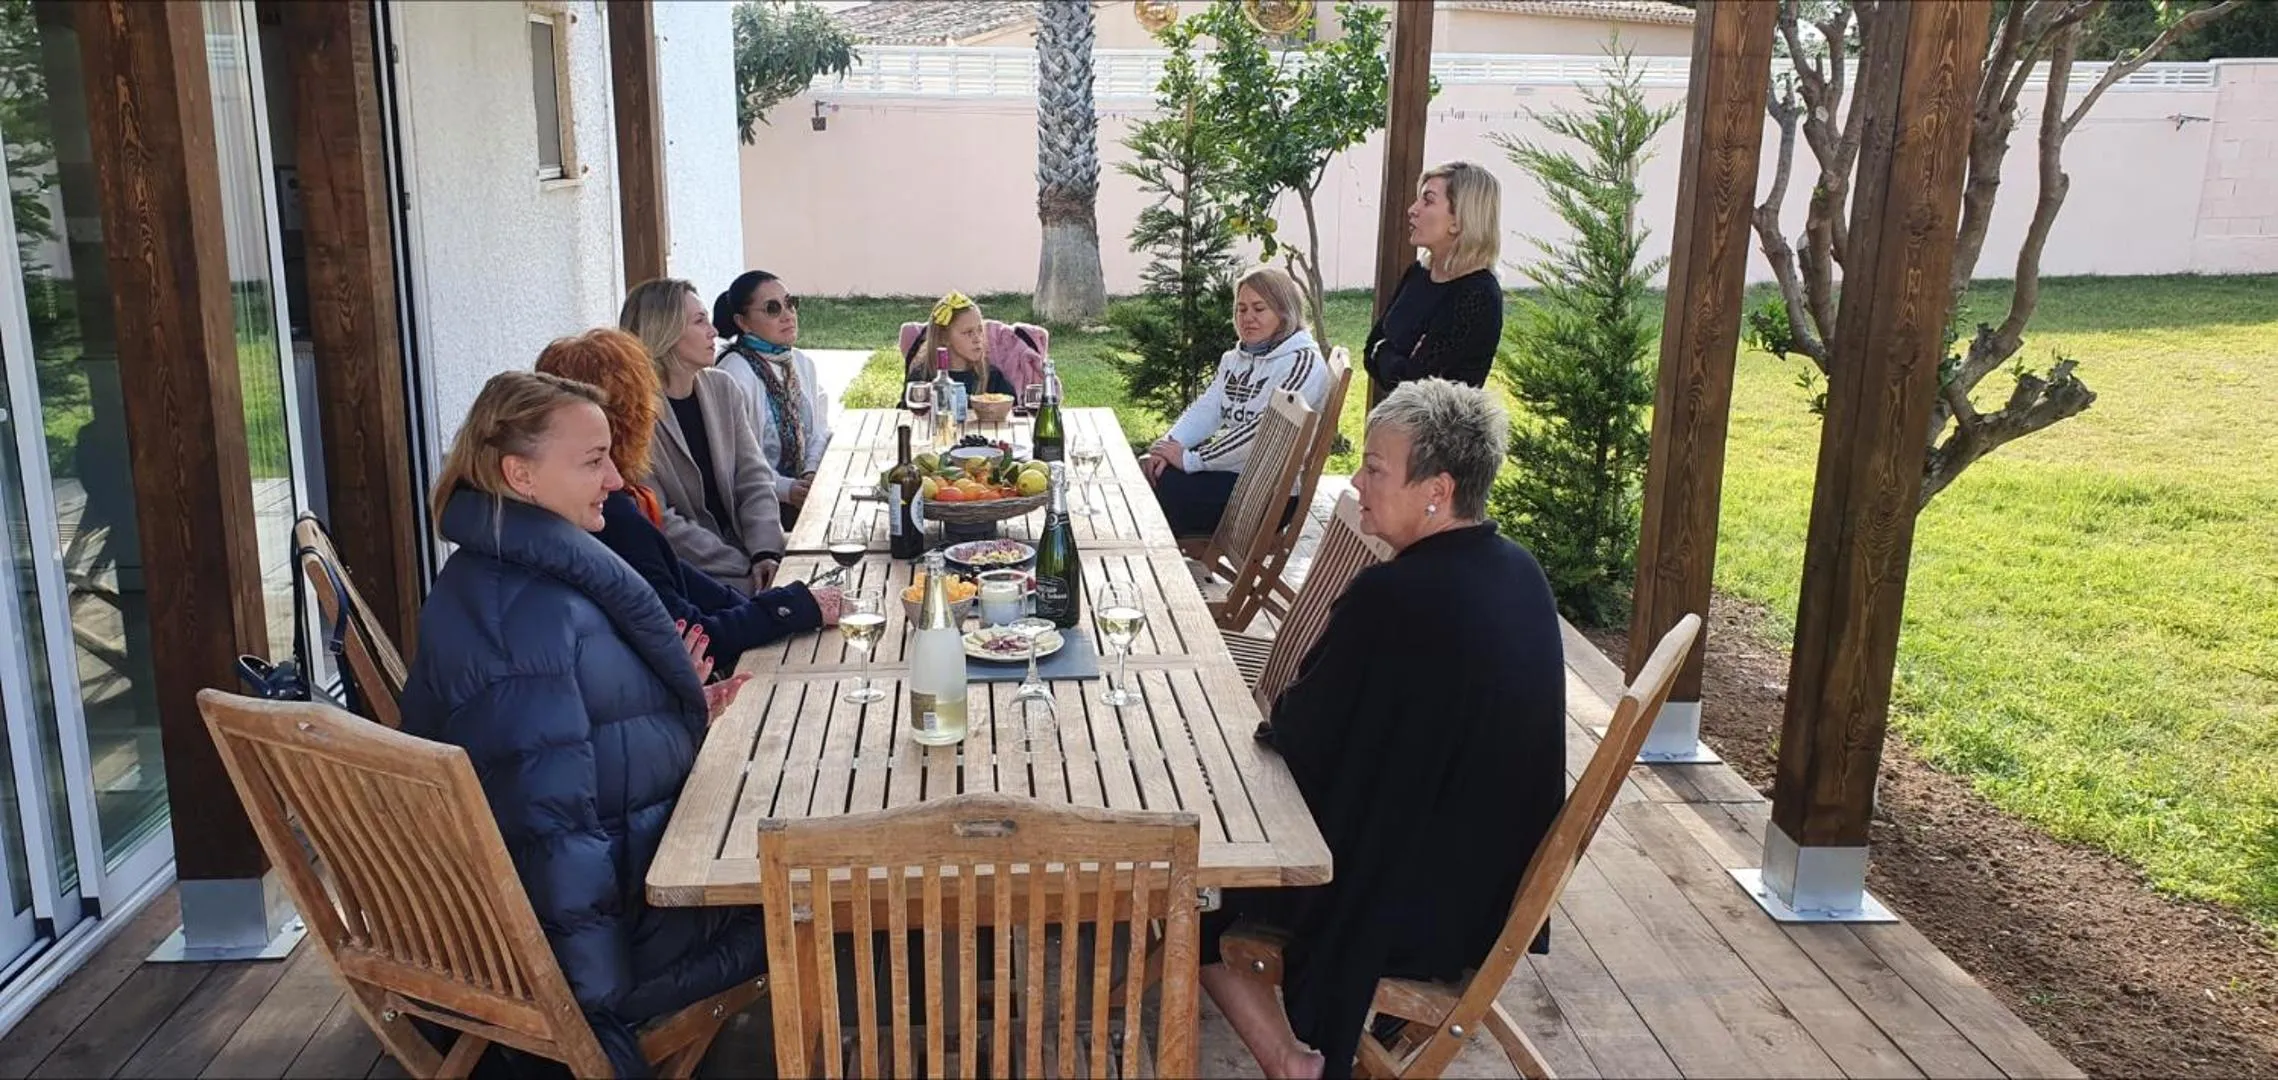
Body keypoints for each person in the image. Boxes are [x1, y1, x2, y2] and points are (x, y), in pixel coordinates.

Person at [400, 371, 768, 1077]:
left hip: (622, 878)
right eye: (593, 461)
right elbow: (552, 827)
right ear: (521, 474)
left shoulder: (512, 575)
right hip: (611, 942)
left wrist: (680, 711)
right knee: (835, 887)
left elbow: (580, 746)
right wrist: (590, 1014)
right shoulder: (523, 624)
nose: (618, 480)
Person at [1199, 379, 1566, 1080]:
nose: (1359, 481)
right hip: (1485, 893)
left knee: (1194, 886)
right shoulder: (1519, 573)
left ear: (1439, 489)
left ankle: (1292, 1062)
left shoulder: (1395, 598)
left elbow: (1299, 729)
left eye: (1375, 468)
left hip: (1406, 907)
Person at [536, 328, 843, 672]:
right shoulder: (608, 514)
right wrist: (788, 605)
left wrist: (774, 581)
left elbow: (751, 481)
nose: (713, 330)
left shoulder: (600, 505)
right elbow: (692, 634)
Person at [621, 277, 786, 595]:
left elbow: (753, 478)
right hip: (697, 575)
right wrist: (742, 566)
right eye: (700, 322)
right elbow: (660, 520)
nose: (713, 332)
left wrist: (766, 552)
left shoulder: (722, 388)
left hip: (754, 555)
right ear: (664, 332)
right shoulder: (634, 413)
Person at [1141, 265, 1332, 537]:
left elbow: (1265, 431)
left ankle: (1148, 565)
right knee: (1150, 471)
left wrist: (1193, 460)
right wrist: (1169, 446)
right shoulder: (1237, 358)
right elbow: (1208, 408)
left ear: (1283, 312)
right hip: (1236, 479)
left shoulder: (1303, 363)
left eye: (1259, 308)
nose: (1248, 318)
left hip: (1269, 494)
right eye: (1241, 309)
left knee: (1161, 491)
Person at [1363, 161, 1506, 393]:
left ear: (1459, 220)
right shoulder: (1418, 274)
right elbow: (1370, 350)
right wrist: (1392, 354)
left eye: (1427, 200)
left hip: (1440, 428)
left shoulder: (1478, 295)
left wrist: (1385, 350)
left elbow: (1415, 385)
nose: (1413, 209)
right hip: (1396, 420)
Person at [712, 270, 832, 525]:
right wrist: (786, 489)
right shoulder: (733, 374)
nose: (788, 315)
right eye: (772, 308)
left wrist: (810, 472)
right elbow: (735, 460)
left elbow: (819, 428)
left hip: (806, 498)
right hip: (757, 511)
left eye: (790, 303)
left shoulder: (800, 362)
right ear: (742, 322)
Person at [905, 291, 1016, 396]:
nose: (977, 338)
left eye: (980, 330)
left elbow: (1014, 410)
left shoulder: (992, 378)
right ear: (944, 338)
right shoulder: (922, 377)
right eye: (968, 332)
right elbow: (906, 412)